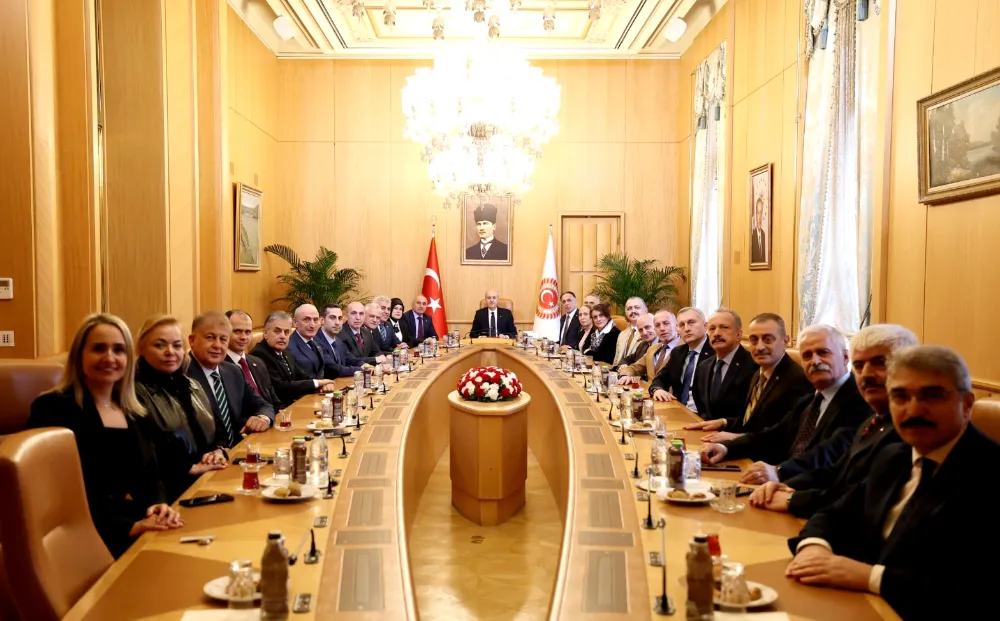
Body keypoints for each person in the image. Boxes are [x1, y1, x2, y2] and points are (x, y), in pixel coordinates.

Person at [785, 345, 999, 619]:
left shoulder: (989, 474)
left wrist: (869, 576)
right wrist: (814, 547)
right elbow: (836, 513)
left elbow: (971, 589)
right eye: (900, 396)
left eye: (932, 396)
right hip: (858, 607)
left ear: (966, 404)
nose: (914, 410)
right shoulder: (893, 456)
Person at [28, 314, 183, 558]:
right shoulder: (52, 408)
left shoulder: (136, 411)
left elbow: (152, 476)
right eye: (99, 348)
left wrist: (159, 506)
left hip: (143, 529)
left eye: (119, 350)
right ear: (79, 355)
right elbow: (55, 496)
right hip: (87, 540)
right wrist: (128, 527)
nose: (109, 358)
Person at [750, 324, 917, 517]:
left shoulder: (911, 430)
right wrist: (782, 486)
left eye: (880, 363)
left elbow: (858, 499)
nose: (866, 374)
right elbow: (835, 472)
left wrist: (790, 497)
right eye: (859, 366)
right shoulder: (874, 421)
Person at [700, 324, 871, 476]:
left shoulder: (860, 399)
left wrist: (779, 472)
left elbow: (829, 453)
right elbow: (774, 435)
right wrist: (725, 448)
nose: (815, 361)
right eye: (807, 356)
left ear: (845, 357)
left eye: (823, 352)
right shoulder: (810, 400)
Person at [135, 315, 227, 502]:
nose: (170, 352)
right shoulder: (133, 393)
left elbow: (219, 432)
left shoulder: (192, 385)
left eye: (177, 345)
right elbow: (143, 455)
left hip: (209, 481)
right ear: (141, 349)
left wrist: (218, 452)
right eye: (160, 345)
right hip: (169, 495)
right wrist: (190, 468)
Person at [684, 313, 812, 440]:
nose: (760, 347)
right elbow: (750, 421)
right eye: (754, 340)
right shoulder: (761, 373)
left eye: (767, 339)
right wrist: (724, 422)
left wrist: (737, 439)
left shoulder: (798, 379)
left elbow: (784, 436)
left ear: (785, 341)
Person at [185, 311, 274, 448]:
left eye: (223, 339)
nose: (217, 345)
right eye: (210, 338)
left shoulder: (233, 371)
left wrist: (263, 418)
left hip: (239, 451)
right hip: (205, 457)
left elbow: (263, 405)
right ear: (192, 340)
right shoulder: (181, 376)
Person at [251, 311, 337, 406]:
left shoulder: (285, 352)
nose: (282, 336)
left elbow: (302, 376)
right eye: (277, 331)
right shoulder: (259, 354)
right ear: (265, 333)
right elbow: (280, 387)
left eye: (286, 332)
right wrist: (317, 383)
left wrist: (322, 384)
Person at [688, 308, 759, 422]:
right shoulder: (704, 366)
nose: (716, 333)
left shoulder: (754, 365)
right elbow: (699, 402)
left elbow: (753, 413)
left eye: (724, 327)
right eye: (712, 329)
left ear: (738, 334)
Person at [649, 307, 714, 412]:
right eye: (682, 325)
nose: (687, 329)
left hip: (705, 416)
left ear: (705, 325)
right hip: (678, 409)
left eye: (691, 322)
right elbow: (661, 378)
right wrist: (657, 390)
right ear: (678, 329)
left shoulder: (716, 352)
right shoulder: (678, 352)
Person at [225, 309, 281, 409]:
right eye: (237, 331)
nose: (243, 337)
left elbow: (274, 401)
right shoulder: (219, 366)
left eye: (247, 332)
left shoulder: (258, 362)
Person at [288, 303, 351, 380]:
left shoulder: (315, 344)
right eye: (307, 320)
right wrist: (319, 384)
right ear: (295, 323)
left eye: (315, 320)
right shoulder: (288, 346)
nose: (312, 325)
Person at [618, 310, 679, 384]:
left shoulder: (685, 349)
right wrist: (625, 375)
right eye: (657, 325)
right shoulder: (652, 349)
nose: (662, 328)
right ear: (655, 329)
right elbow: (635, 368)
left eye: (666, 323)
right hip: (647, 390)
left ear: (677, 326)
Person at [317, 304, 364, 375]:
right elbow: (335, 369)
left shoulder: (338, 340)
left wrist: (364, 365)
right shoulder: (316, 341)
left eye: (340, 318)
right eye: (332, 318)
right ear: (322, 320)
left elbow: (350, 359)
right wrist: (362, 369)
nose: (337, 323)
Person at [612, 297, 648, 366]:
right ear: (626, 313)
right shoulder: (622, 334)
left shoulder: (648, 333)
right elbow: (616, 361)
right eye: (629, 308)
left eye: (637, 307)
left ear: (646, 311)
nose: (633, 311)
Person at [750, 196, 768, 265]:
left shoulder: (764, 235)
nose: (759, 217)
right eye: (758, 213)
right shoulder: (752, 236)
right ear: (755, 215)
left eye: (761, 212)